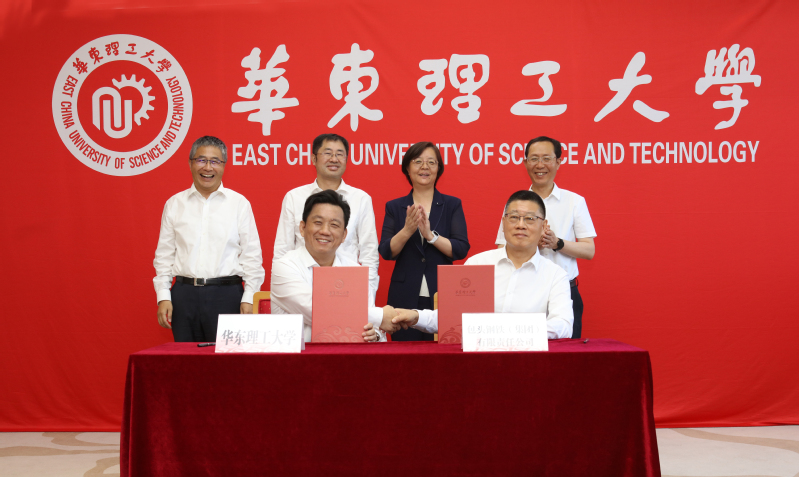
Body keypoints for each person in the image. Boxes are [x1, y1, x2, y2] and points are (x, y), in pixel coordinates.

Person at [393, 190, 573, 340]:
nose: (521, 225)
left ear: (544, 226)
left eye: (530, 219)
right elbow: (450, 318)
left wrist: (508, 332)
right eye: (514, 217)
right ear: (503, 223)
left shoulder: (555, 275)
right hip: (477, 362)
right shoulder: (478, 264)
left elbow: (563, 325)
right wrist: (416, 316)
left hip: (528, 361)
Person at [153, 136, 265, 342]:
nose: (208, 167)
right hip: (183, 296)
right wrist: (163, 296)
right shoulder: (174, 204)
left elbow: (251, 256)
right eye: (201, 160)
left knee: (227, 360)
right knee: (186, 359)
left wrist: (249, 297)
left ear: (223, 166)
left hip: (227, 296)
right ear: (190, 163)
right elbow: (164, 255)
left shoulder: (239, 204)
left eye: (215, 161)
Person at [496, 136, 595, 339]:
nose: (540, 165)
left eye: (546, 159)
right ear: (525, 163)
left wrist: (557, 243)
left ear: (558, 162)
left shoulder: (574, 201)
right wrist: (528, 244)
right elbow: (501, 249)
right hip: (522, 292)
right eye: (534, 159)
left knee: (565, 353)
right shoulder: (516, 203)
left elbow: (589, 250)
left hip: (564, 291)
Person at [271, 190, 399, 342]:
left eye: (334, 225)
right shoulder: (284, 267)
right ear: (302, 228)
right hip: (297, 355)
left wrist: (375, 335)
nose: (325, 231)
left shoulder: (355, 272)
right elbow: (319, 312)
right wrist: (380, 316)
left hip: (347, 354)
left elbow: (376, 332)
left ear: (344, 235)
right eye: (318, 222)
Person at [378, 142, 470, 341]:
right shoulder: (394, 206)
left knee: (443, 351)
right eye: (418, 161)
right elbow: (386, 251)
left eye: (431, 162)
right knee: (405, 353)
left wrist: (431, 236)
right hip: (404, 294)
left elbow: (461, 248)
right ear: (407, 169)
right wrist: (407, 230)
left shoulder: (452, 204)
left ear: (438, 169)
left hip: (441, 293)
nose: (425, 167)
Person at [273, 133, 379, 296]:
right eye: (328, 153)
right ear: (314, 159)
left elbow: (369, 254)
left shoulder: (361, 198)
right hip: (302, 283)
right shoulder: (294, 197)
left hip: (345, 286)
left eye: (340, 154)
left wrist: (366, 297)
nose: (334, 159)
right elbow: (282, 250)